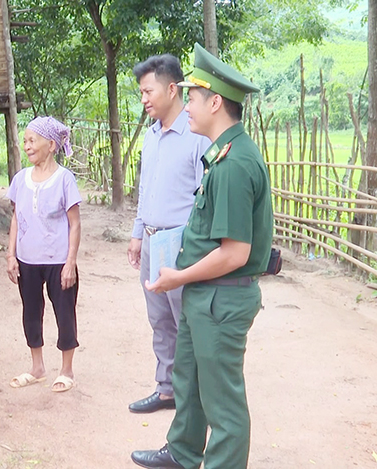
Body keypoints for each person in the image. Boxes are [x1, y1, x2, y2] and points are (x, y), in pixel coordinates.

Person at [131, 43, 273, 469]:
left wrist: (178, 276)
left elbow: (235, 253)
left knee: (223, 403)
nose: (186, 105)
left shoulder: (232, 164)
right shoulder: (220, 154)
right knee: (189, 384)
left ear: (215, 102)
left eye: (191, 97)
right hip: (202, 293)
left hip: (220, 296)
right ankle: (183, 451)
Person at [127, 55, 210, 414]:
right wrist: (137, 233)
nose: (144, 99)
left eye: (148, 91)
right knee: (159, 319)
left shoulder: (196, 137)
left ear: (172, 89)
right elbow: (146, 189)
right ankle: (167, 391)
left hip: (180, 243)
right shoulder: (151, 134)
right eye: (141, 92)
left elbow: (203, 199)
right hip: (151, 240)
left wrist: (189, 246)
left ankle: (197, 402)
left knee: (186, 324)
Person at [5, 117, 82, 393]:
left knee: (64, 313)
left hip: (58, 261)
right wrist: (11, 254)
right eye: (25, 141)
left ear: (51, 145)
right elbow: (16, 217)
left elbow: (74, 223)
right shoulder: (20, 179)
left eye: (32, 141)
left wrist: (70, 262)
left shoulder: (64, 179)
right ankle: (37, 367)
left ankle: (66, 370)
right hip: (28, 260)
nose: (27, 146)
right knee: (31, 312)